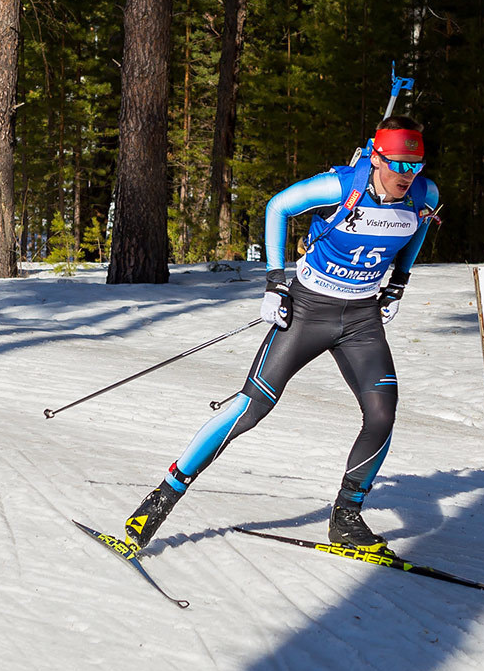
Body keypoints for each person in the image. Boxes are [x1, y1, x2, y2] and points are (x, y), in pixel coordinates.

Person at [121, 116, 440, 555]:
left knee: (382, 415)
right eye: (400, 165)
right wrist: (274, 281)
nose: (408, 175)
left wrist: (399, 282)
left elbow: (419, 226)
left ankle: (346, 518)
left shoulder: (424, 193)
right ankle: (159, 500)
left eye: (416, 165)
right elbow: (277, 207)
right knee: (250, 408)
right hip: (309, 310)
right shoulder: (339, 186)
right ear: (378, 157)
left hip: (362, 318)